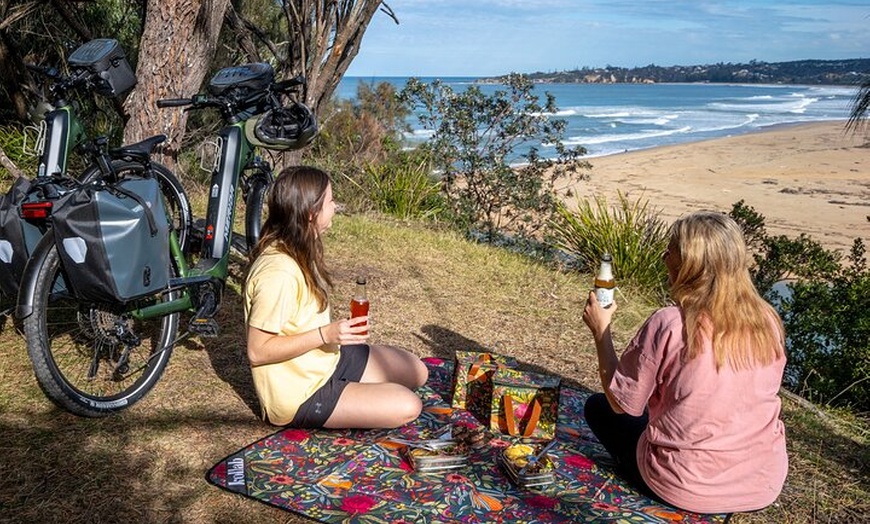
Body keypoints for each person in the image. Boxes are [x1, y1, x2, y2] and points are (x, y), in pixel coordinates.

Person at [581, 210, 788, 514]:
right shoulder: (767, 321)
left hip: (683, 484)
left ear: (688, 265)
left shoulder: (670, 323)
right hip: (761, 481)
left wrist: (601, 332)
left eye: (671, 250)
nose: (664, 258)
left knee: (598, 407)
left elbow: (620, 403)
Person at [244, 166, 428, 429]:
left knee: (417, 371)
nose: (335, 207)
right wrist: (325, 335)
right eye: (330, 201)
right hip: (301, 392)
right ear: (311, 213)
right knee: (409, 405)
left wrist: (332, 336)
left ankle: (353, 386)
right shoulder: (278, 272)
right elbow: (257, 351)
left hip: (326, 359)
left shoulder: (299, 245)